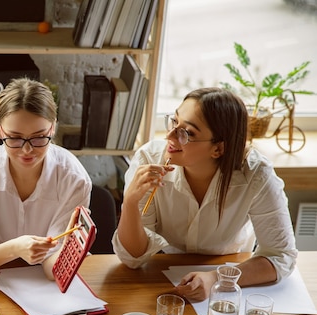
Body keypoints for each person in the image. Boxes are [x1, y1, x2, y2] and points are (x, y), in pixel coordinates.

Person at [112, 87, 297, 301]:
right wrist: (130, 202)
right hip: (164, 276)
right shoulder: (149, 159)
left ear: (218, 149)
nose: (170, 135)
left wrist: (216, 279)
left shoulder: (256, 174)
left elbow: (281, 256)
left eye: (187, 133)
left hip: (230, 276)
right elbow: (133, 258)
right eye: (174, 121)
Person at [0, 77, 92, 279]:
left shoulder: (74, 179)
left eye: (39, 137)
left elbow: (52, 268)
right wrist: (16, 248)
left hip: (42, 287)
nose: (27, 150)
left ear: (52, 128)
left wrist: (70, 253)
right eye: (15, 138)